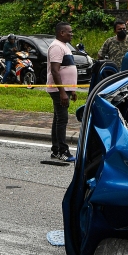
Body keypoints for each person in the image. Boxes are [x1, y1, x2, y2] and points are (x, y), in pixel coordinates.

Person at [47, 22, 78, 163]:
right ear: (61, 33)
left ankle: (55, 150)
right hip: (59, 89)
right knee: (62, 119)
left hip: (65, 89)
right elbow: (55, 70)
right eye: (69, 32)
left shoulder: (64, 46)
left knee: (58, 119)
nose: (71, 34)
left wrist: (72, 90)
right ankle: (62, 151)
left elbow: (67, 69)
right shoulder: (56, 47)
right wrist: (62, 92)